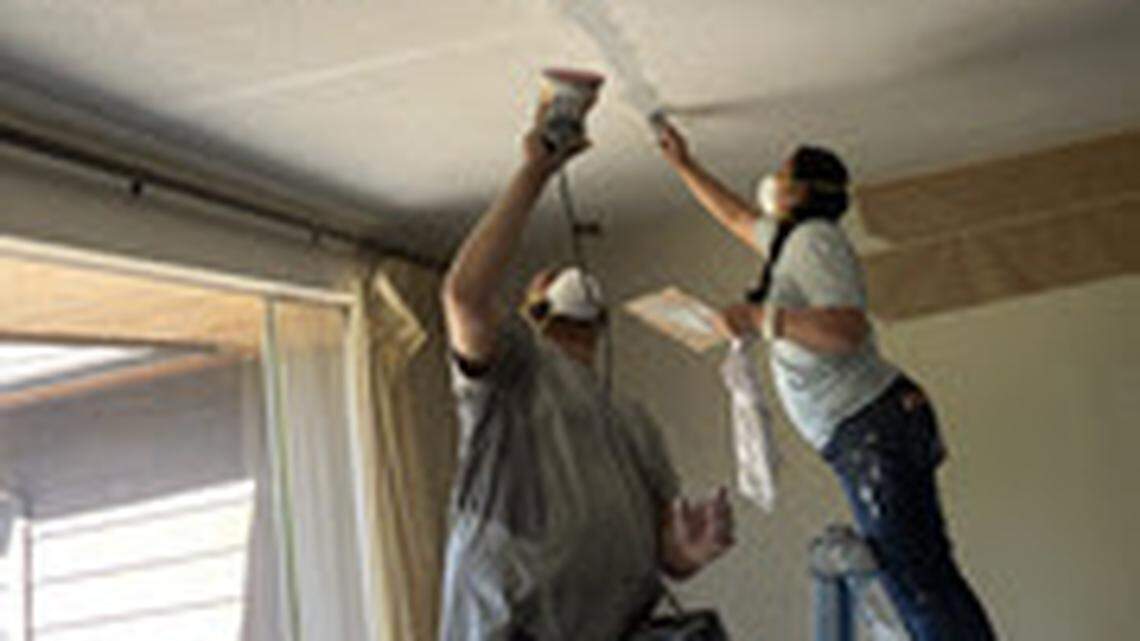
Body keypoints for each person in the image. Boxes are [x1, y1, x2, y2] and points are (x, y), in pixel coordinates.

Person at [655, 121, 996, 641]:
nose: (772, 181)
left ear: (805, 191)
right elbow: (734, 215)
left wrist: (760, 319)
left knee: (919, 584)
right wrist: (684, 164)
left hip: (870, 426)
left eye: (783, 174)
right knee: (923, 576)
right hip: (871, 426)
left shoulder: (816, 239)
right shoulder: (790, 239)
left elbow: (846, 329)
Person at [438, 102, 734, 641]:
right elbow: (464, 296)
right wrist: (535, 172)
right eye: (548, 278)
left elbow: (670, 557)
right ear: (533, 311)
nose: (565, 276)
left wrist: (691, 551)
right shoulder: (514, 372)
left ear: (600, 326)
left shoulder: (633, 420)